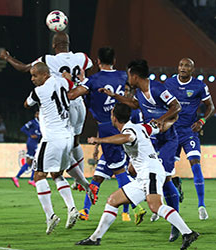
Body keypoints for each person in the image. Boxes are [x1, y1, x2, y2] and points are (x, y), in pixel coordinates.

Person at [76, 103, 199, 250]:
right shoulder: (141, 127)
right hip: (144, 175)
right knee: (113, 200)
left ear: (113, 118)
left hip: (151, 172)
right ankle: (95, 238)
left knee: (155, 206)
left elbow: (128, 137)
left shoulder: (129, 130)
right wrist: (173, 119)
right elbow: (160, 127)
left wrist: (100, 140)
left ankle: (188, 233)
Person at [100, 59, 182, 241]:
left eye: (129, 74)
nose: (128, 77)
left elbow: (177, 106)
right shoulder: (139, 92)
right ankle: (155, 194)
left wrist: (162, 119)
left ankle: (175, 223)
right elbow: (135, 104)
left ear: (135, 76)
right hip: (151, 137)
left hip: (167, 138)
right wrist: (114, 96)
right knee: (132, 169)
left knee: (166, 177)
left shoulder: (157, 89)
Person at [0, 31, 93, 186]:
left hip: (64, 103)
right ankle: (80, 178)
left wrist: (7, 57)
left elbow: (24, 68)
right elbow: (87, 67)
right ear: (68, 44)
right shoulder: (82, 57)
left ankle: (63, 174)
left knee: (62, 138)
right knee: (75, 141)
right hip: (80, 103)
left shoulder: (47, 60)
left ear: (53, 45)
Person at [67, 47, 146, 223]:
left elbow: (72, 95)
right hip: (126, 125)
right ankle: (86, 210)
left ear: (97, 61)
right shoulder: (124, 76)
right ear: (114, 61)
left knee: (119, 172)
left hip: (108, 127)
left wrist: (72, 83)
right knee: (102, 174)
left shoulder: (93, 80)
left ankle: (138, 207)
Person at [24, 62, 82, 234]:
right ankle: (72, 208)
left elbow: (27, 104)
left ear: (44, 74)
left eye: (35, 75)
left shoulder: (39, 91)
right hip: (67, 137)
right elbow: (71, 84)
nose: (33, 79)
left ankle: (50, 216)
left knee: (38, 175)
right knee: (57, 174)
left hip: (52, 138)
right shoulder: (62, 82)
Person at [165, 58, 215, 220]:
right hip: (171, 132)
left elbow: (211, 106)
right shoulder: (169, 83)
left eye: (187, 66)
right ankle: (167, 200)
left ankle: (201, 206)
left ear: (193, 70)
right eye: (180, 65)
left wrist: (202, 121)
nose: (183, 68)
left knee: (195, 164)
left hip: (189, 132)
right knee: (166, 171)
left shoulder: (199, 86)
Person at [12, 111, 41, 188]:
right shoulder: (32, 122)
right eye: (38, 114)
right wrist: (30, 135)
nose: (39, 115)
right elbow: (23, 128)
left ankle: (18, 177)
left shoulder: (41, 122)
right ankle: (31, 180)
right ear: (35, 115)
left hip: (34, 143)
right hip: (31, 143)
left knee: (30, 162)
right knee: (36, 160)